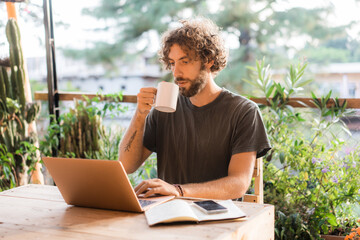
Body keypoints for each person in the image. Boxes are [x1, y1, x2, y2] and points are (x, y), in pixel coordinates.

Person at [118, 17, 271, 200]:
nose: (176, 72)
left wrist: (179, 191)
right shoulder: (164, 108)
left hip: (218, 216)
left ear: (208, 61)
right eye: (172, 63)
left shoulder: (244, 112)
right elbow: (126, 165)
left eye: (185, 61)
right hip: (168, 214)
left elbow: (238, 183)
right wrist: (140, 114)